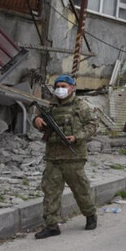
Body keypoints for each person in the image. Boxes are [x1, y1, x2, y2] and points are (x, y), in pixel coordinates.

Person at [33, 74, 98, 239]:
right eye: (58, 86)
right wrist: (37, 122)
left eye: (64, 86)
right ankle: (52, 224)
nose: (60, 89)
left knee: (81, 189)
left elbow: (92, 125)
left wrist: (77, 137)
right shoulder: (50, 107)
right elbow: (38, 120)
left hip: (73, 156)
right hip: (53, 156)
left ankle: (90, 214)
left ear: (72, 88)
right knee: (50, 191)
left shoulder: (81, 106)